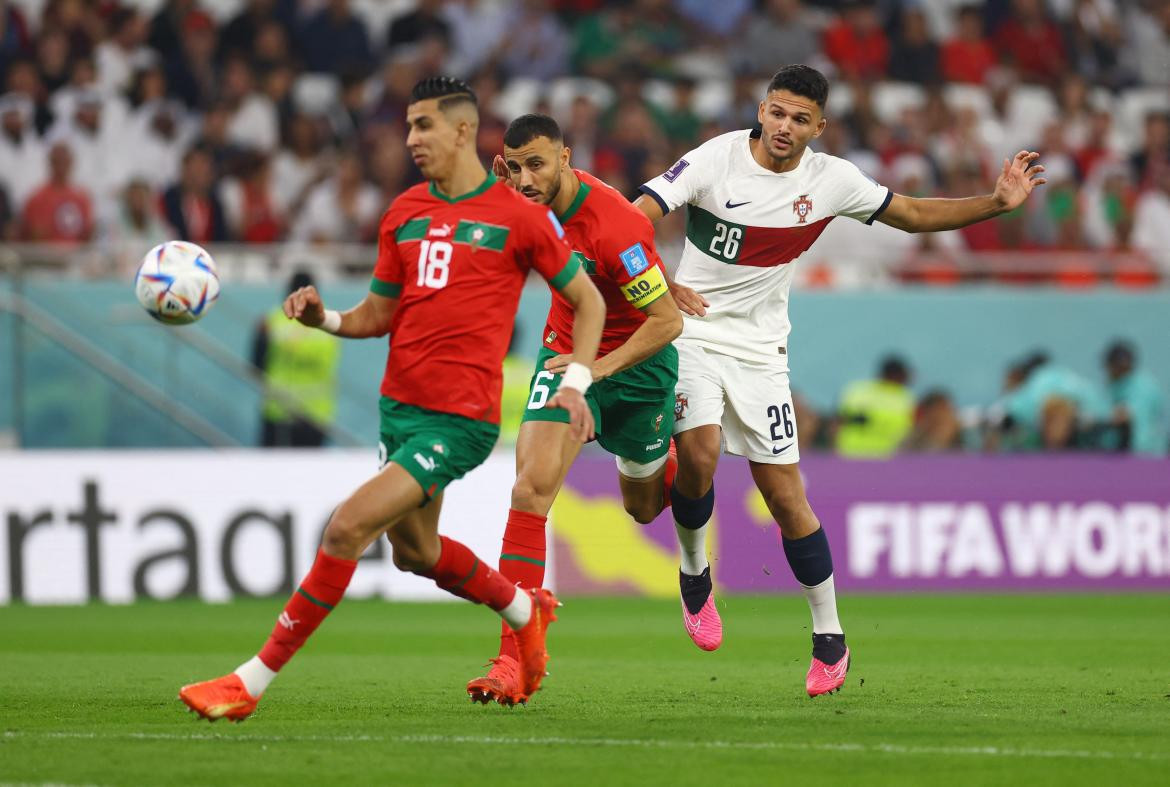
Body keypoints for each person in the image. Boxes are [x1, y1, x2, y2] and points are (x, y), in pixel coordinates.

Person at [178, 77, 606, 722]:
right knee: (415, 554)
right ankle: (525, 608)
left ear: (462, 131)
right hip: (398, 409)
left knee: (348, 526)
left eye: (423, 126)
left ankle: (248, 683)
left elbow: (590, 301)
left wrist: (576, 383)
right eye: (408, 126)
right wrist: (325, 318)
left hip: (458, 419)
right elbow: (378, 313)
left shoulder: (520, 217)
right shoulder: (403, 211)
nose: (410, 140)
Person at [634, 64, 1045, 697]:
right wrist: (659, 282)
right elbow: (637, 213)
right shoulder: (715, 159)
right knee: (701, 449)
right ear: (761, 109)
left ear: (818, 128)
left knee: (785, 497)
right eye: (776, 111)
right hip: (693, 333)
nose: (784, 126)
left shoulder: (831, 181)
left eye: (800, 119)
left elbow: (909, 213)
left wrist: (995, 202)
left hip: (763, 352)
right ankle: (695, 575)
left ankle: (830, 637)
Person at [465, 113, 683, 705]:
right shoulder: (515, 195)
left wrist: (600, 370)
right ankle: (512, 658)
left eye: (537, 164)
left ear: (566, 158)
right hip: (564, 358)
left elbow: (667, 321)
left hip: (635, 370)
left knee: (642, 508)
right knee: (528, 493)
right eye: (515, 167)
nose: (526, 178)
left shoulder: (616, 226)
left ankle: (660, 461)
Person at [251, 271, 340, 448]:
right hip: (317, 412)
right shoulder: (329, 323)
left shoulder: (270, 322)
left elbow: (256, 364)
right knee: (310, 472)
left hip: (278, 409)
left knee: (274, 471)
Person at [834, 355, 915, 458]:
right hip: (881, 457)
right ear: (897, 375)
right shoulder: (906, 399)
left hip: (851, 453)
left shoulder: (856, 391)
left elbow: (837, 423)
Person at [1102, 341, 1167, 456]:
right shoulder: (1119, 387)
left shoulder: (1142, 386)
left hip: (1144, 454)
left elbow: (1126, 416)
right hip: (1146, 453)